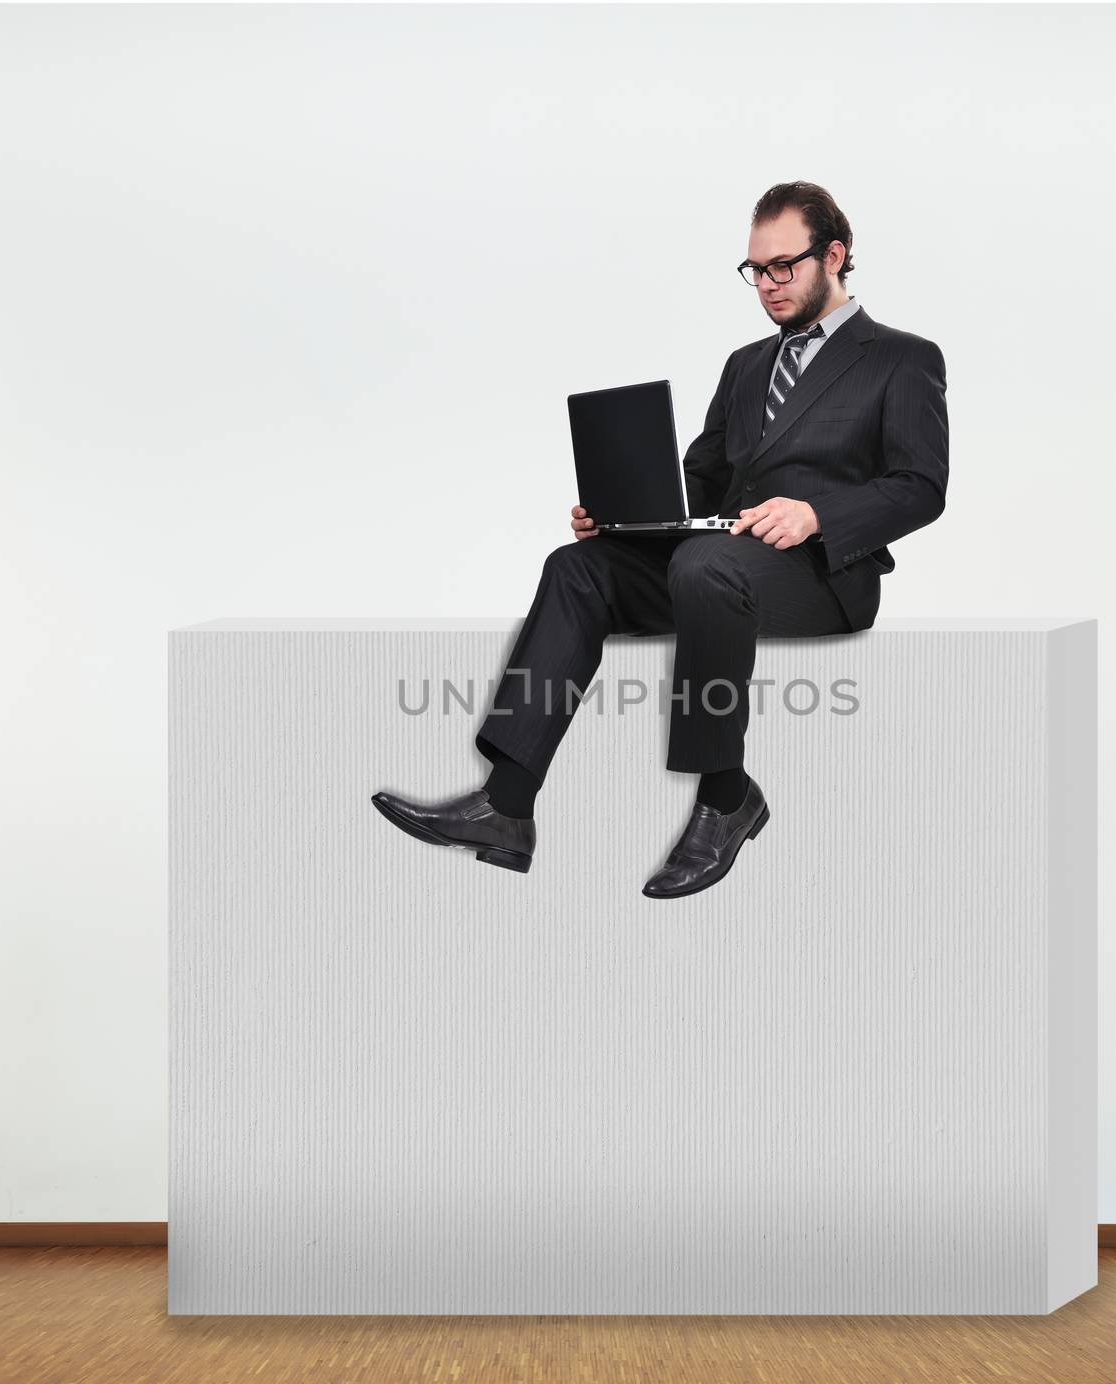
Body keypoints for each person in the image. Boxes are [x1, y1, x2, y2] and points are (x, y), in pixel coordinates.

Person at [372, 181, 949, 898]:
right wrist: (626, 518)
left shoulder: (902, 358)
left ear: (834, 256)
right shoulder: (745, 366)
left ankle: (725, 795)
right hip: (719, 564)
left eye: (784, 267)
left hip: (823, 575)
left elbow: (922, 486)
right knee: (579, 566)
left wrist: (817, 515)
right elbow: (702, 483)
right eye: (755, 270)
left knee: (707, 567)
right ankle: (507, 806)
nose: (767, 285)